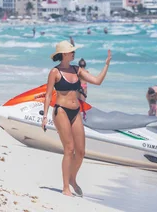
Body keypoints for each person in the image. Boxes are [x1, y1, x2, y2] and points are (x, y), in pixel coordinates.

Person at [42, 41, 112, 197]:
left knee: (80, 152)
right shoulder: (55, 72)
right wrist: (45, 116)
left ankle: (73, 179)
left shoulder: (77, 70)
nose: (74, 53)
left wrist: (106, 65)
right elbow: (47, 95)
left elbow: (97, 81)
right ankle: (66, 186)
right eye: (71, 51)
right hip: (61, 111)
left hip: (76, 112)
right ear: (64, 54)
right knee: (69, 149)